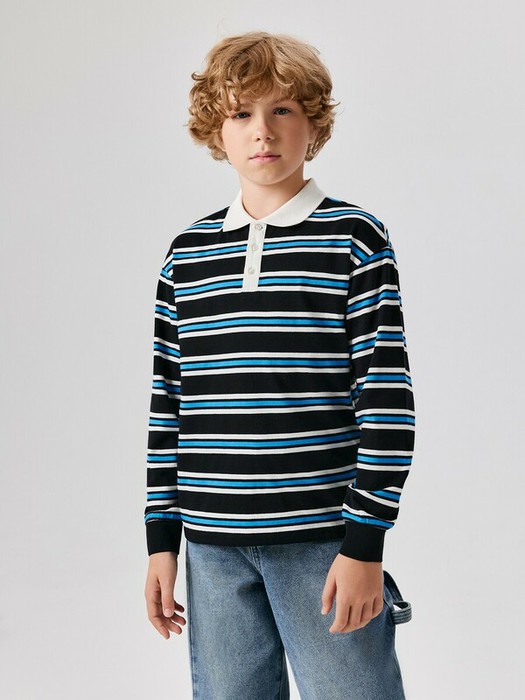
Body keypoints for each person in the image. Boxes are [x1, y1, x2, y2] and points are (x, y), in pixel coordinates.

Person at [144, 30, 416, 700]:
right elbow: (168, 404)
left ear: (313, 122)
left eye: (282, 109)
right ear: (217, 128)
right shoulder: (186, 256)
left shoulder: (353, 238)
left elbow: (385, 400)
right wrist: (161, 541)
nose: (261, 130)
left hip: (324, 542)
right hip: (212, 547)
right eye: (241, 113)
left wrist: (364, 545)